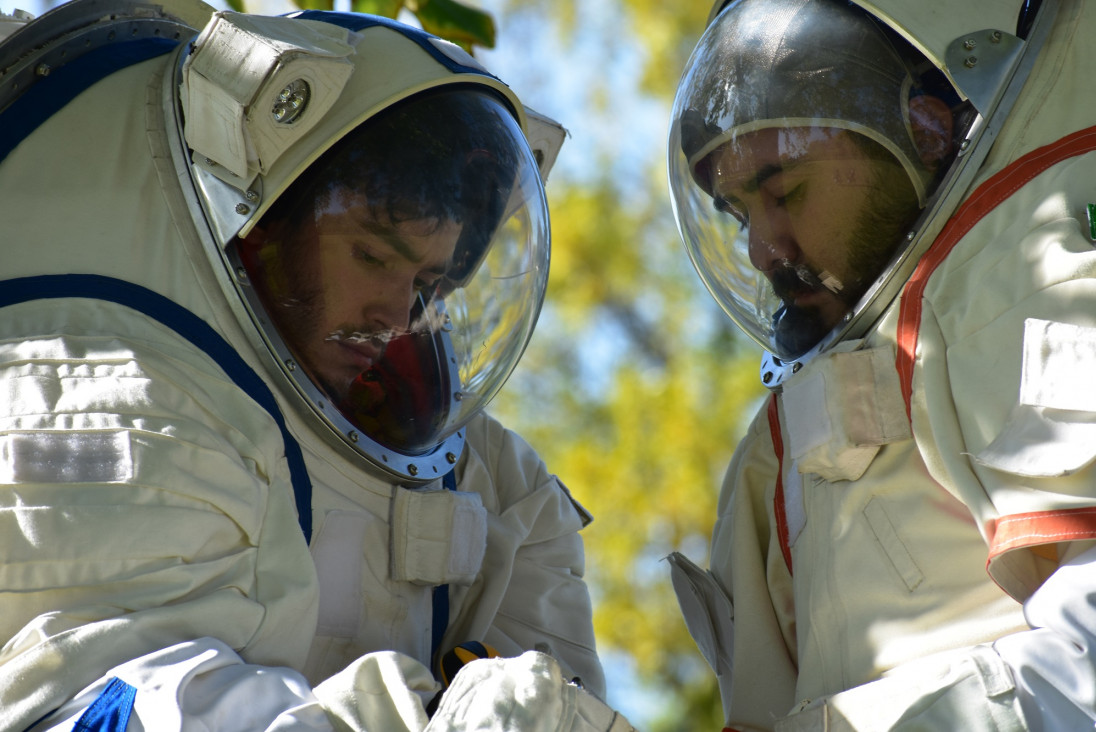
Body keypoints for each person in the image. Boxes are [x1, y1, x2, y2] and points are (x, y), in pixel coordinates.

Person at [0, 1, 634, 729]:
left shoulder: (503, 493)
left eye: (428, 285)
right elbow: (118, 707)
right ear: (263, 226)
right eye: (373, 257)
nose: (396, 318)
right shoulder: (107, 400)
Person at [665, 0, 1096, 729]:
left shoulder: (1030, 283)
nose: (761, 251)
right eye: (739, 213)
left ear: (924, 130)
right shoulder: (772, 456)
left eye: (783, 191)